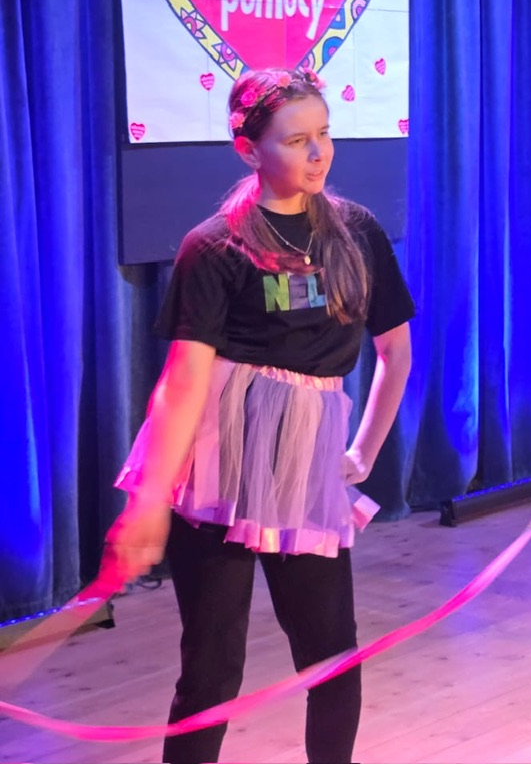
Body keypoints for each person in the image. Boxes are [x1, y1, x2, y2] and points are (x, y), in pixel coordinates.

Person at [103, 66, 415, 764]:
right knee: (212, 672)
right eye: (297, 140)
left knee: (332, 657)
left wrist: (363, 451)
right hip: (217, 472)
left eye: (324, 134)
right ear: (249, 149)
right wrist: (149, 503)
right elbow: (183, 382)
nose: (319, 152)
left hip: (303, 471)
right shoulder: (214, 245)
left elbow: (395, 351)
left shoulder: (356, 232)